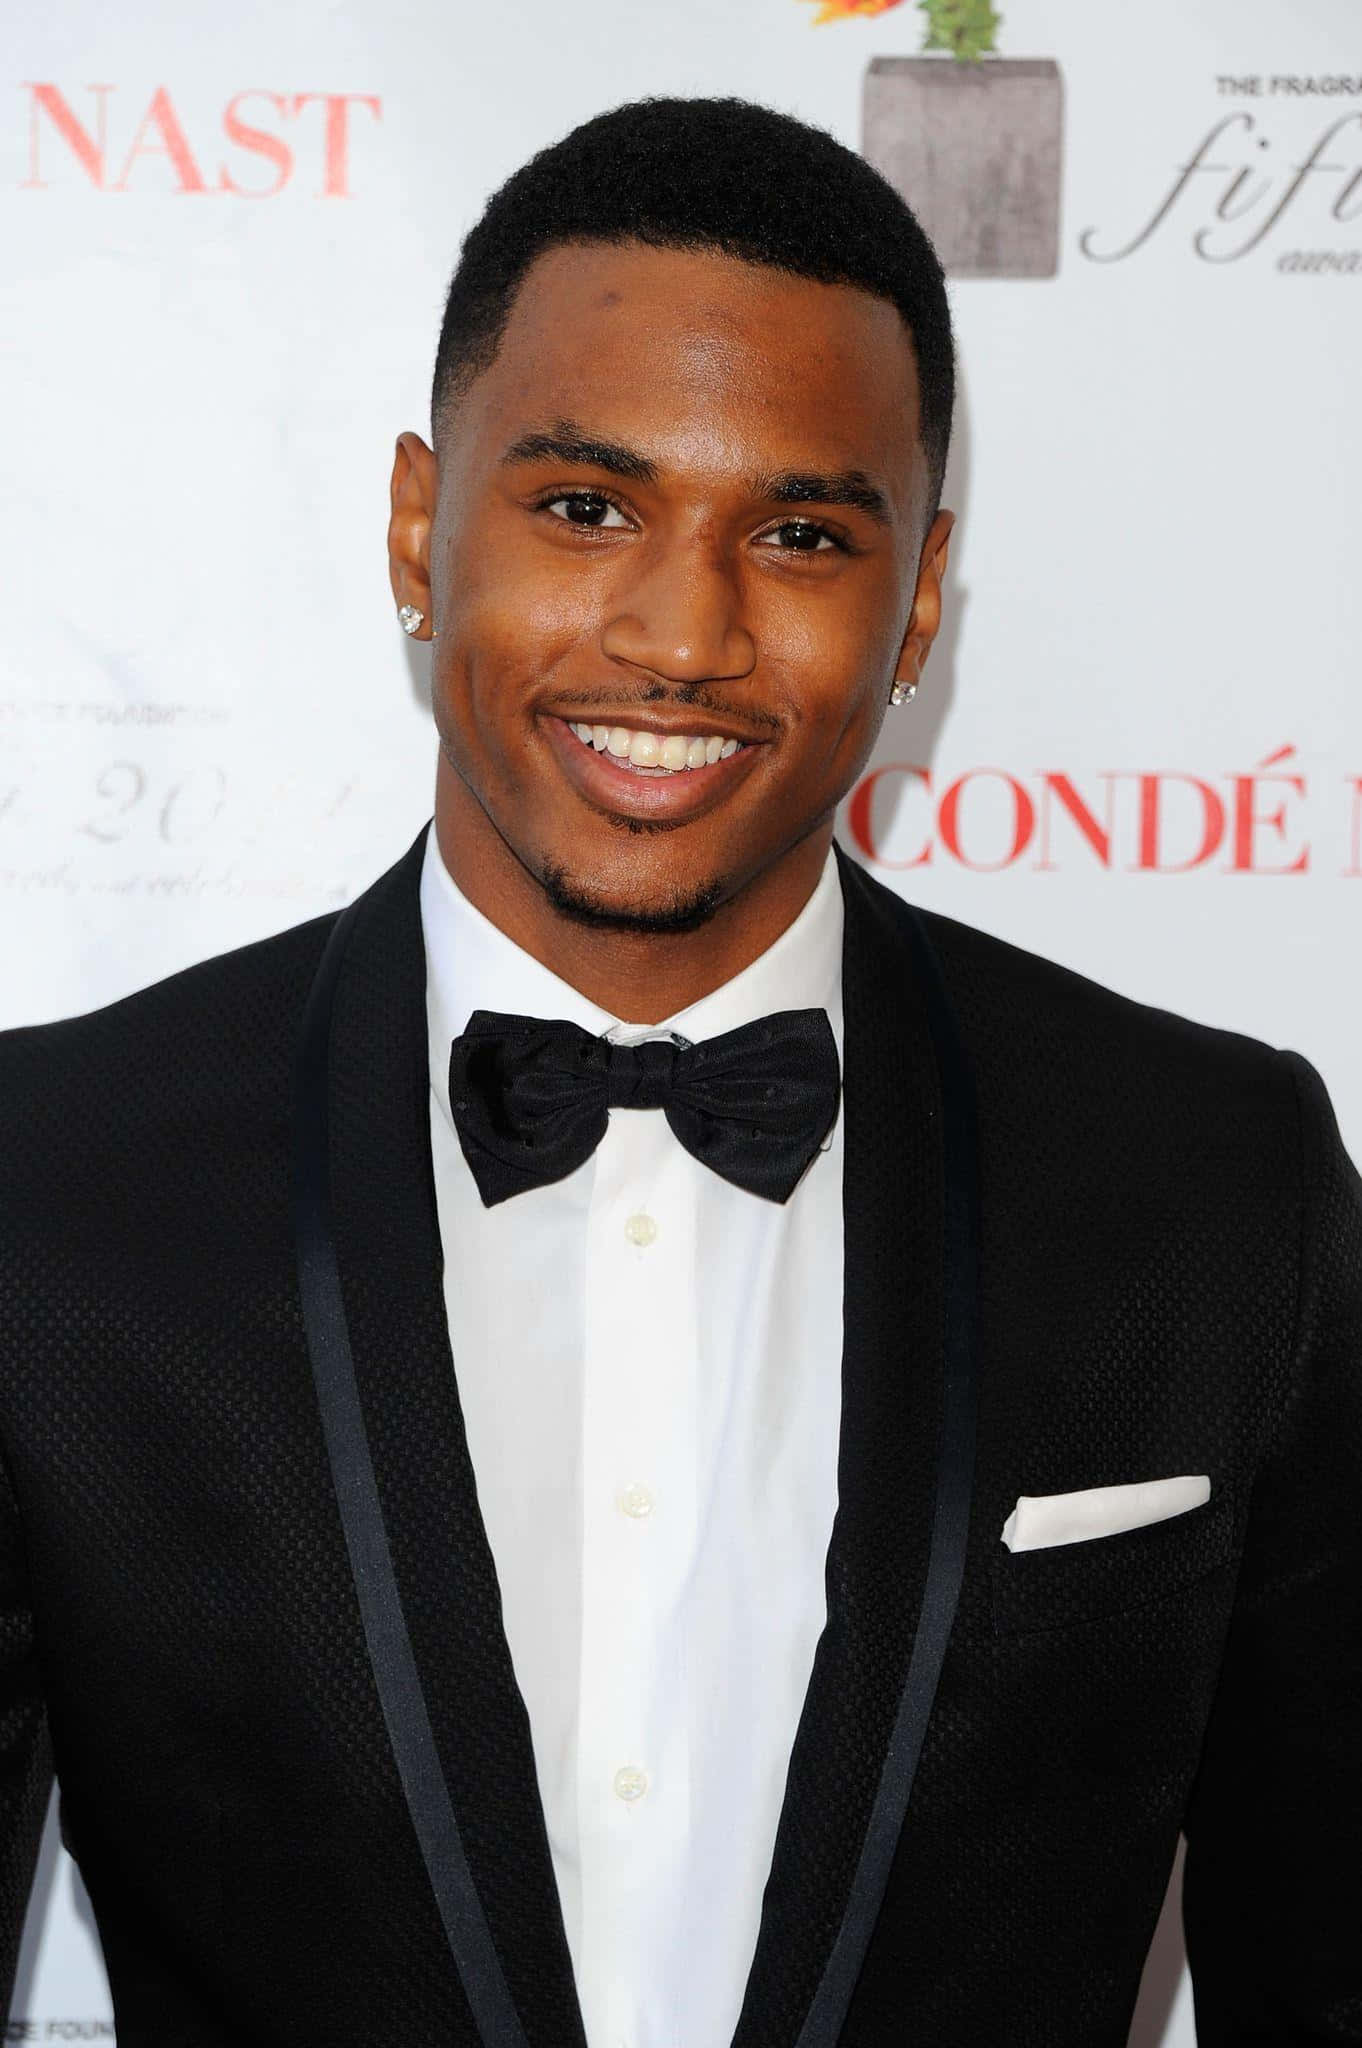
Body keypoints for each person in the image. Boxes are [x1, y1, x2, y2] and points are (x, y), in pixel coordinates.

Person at [0, 94, 1357, 2048]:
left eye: (798, 535)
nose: (682, 634)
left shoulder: (1218, 1192)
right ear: (417, 527)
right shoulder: (55, 1197)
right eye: (585, 508)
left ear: (919, 599)